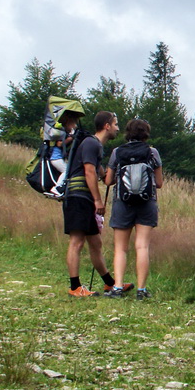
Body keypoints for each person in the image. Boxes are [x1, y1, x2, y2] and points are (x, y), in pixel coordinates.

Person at [63, 111, 132, 297]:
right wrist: (98, 200)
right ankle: (75, 287)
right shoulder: (92, 143)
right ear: (107, 126)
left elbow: (100, 174)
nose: (118, 128)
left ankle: (109, 284)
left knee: (95, 242)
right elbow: (89, 172)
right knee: (76, 241)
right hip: (79, 196)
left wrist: (110, 175)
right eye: (115, 124)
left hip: (82, 197)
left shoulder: (95, 146)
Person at [103, 118, 163, 301]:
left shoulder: (117, 152)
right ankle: (141, 290)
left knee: (120, 248)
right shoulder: (152, 152)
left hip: (123, 202)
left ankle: (118, 287)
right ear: (146, 133)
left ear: (127, 133)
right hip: (147, 203)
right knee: (142, 246)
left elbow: (108, 181)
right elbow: (159, 183)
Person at [45, 111, 78, 199]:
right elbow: (60, 144)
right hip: (56, 157)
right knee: (66, 171)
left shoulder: (62, 132)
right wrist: (71, 137)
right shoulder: (62, 133)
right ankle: (56, 189)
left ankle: (60, 189)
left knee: (66, 171)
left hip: (55, 157)